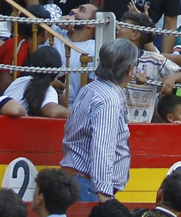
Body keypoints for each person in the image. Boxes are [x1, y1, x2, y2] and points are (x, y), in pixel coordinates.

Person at [59, 37, 138, 203]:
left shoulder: (90, 88)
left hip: (78, 178)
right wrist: (104, 192)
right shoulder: (109, 100)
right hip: (89, 185)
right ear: (130, 70)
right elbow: (102, 146)